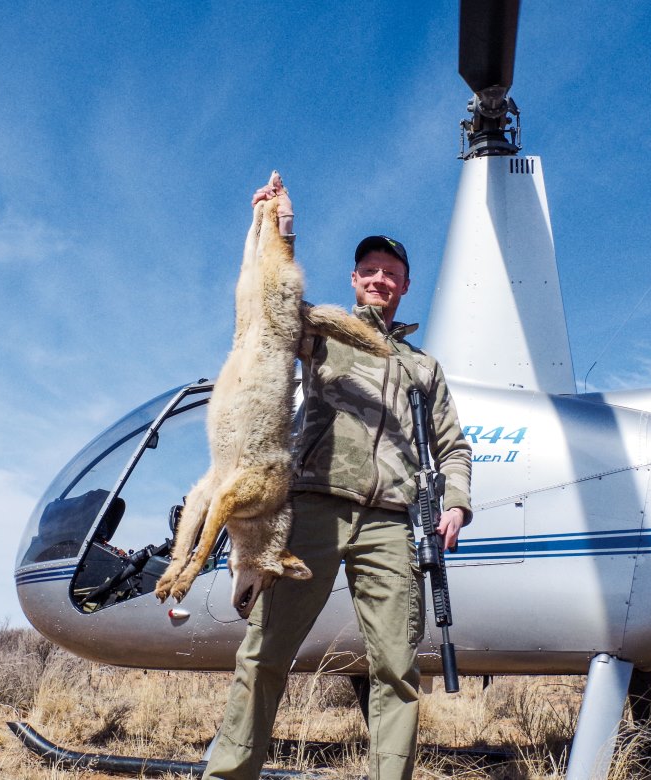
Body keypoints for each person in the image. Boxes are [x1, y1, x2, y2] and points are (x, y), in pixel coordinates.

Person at [202, 182, 473, 780]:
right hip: (314, 509)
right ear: (355, 280)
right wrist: (279, 226)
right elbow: (270, 309)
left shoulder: (423, 367)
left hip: (391, 522)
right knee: (266, 652)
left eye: (390, 272)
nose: (379, 279)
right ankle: (228, 772)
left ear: (405, 285)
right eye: (369, 270)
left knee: (397, 669)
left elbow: (455, 446)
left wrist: (456, 503)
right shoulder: (322, 331)